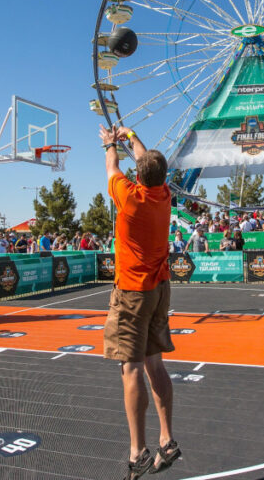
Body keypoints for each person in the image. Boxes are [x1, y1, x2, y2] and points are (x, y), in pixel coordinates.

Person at [99, 124, 179, 478]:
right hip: (160, 288)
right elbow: (142, 161)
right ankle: (166, 438)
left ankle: (137, 451)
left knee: (130, 369)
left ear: (139, 173)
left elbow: (111, 166)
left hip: (132, 292)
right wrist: (129, 135)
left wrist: (108, 144)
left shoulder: (129, 196)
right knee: (155, 365)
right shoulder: (164, 195)